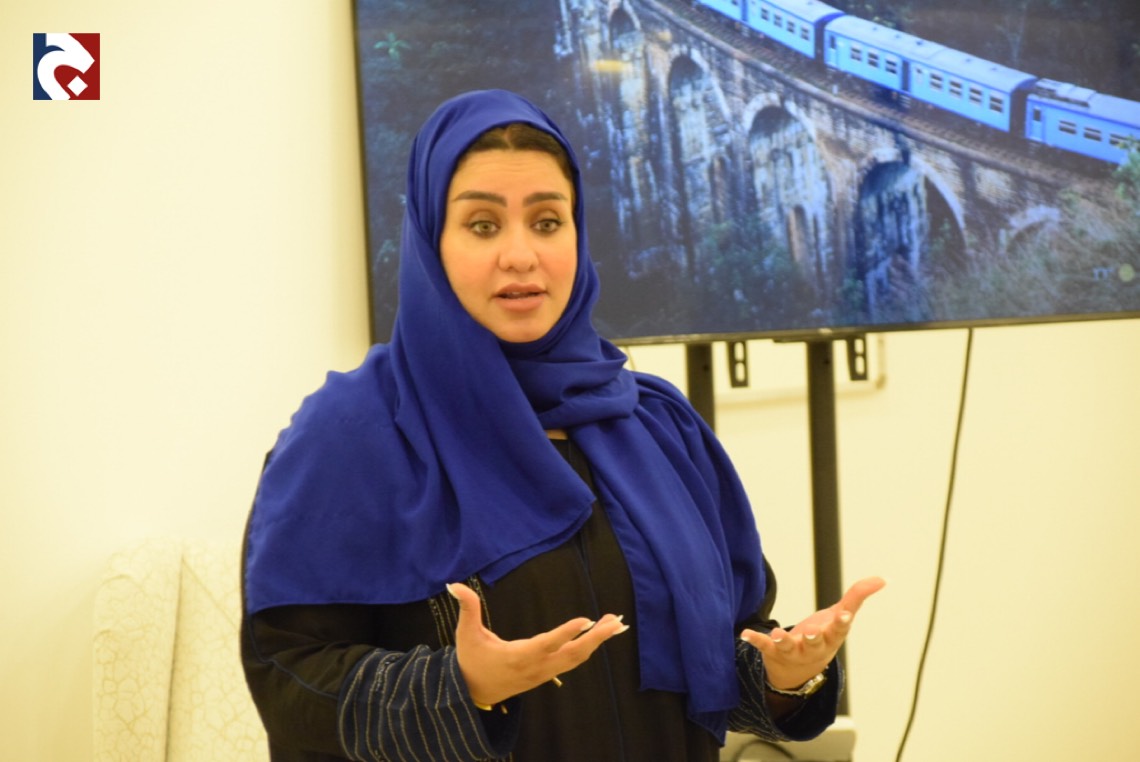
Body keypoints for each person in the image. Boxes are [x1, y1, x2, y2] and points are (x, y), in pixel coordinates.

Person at [241, 88, 884, 762]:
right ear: (430, 238)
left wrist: (785, 676)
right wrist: (460, 687)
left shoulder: (658, 426)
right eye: (483, 225)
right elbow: (288, 679)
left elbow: (724, 652)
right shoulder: (352, 436)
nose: (521, 255)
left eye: (547, 222)